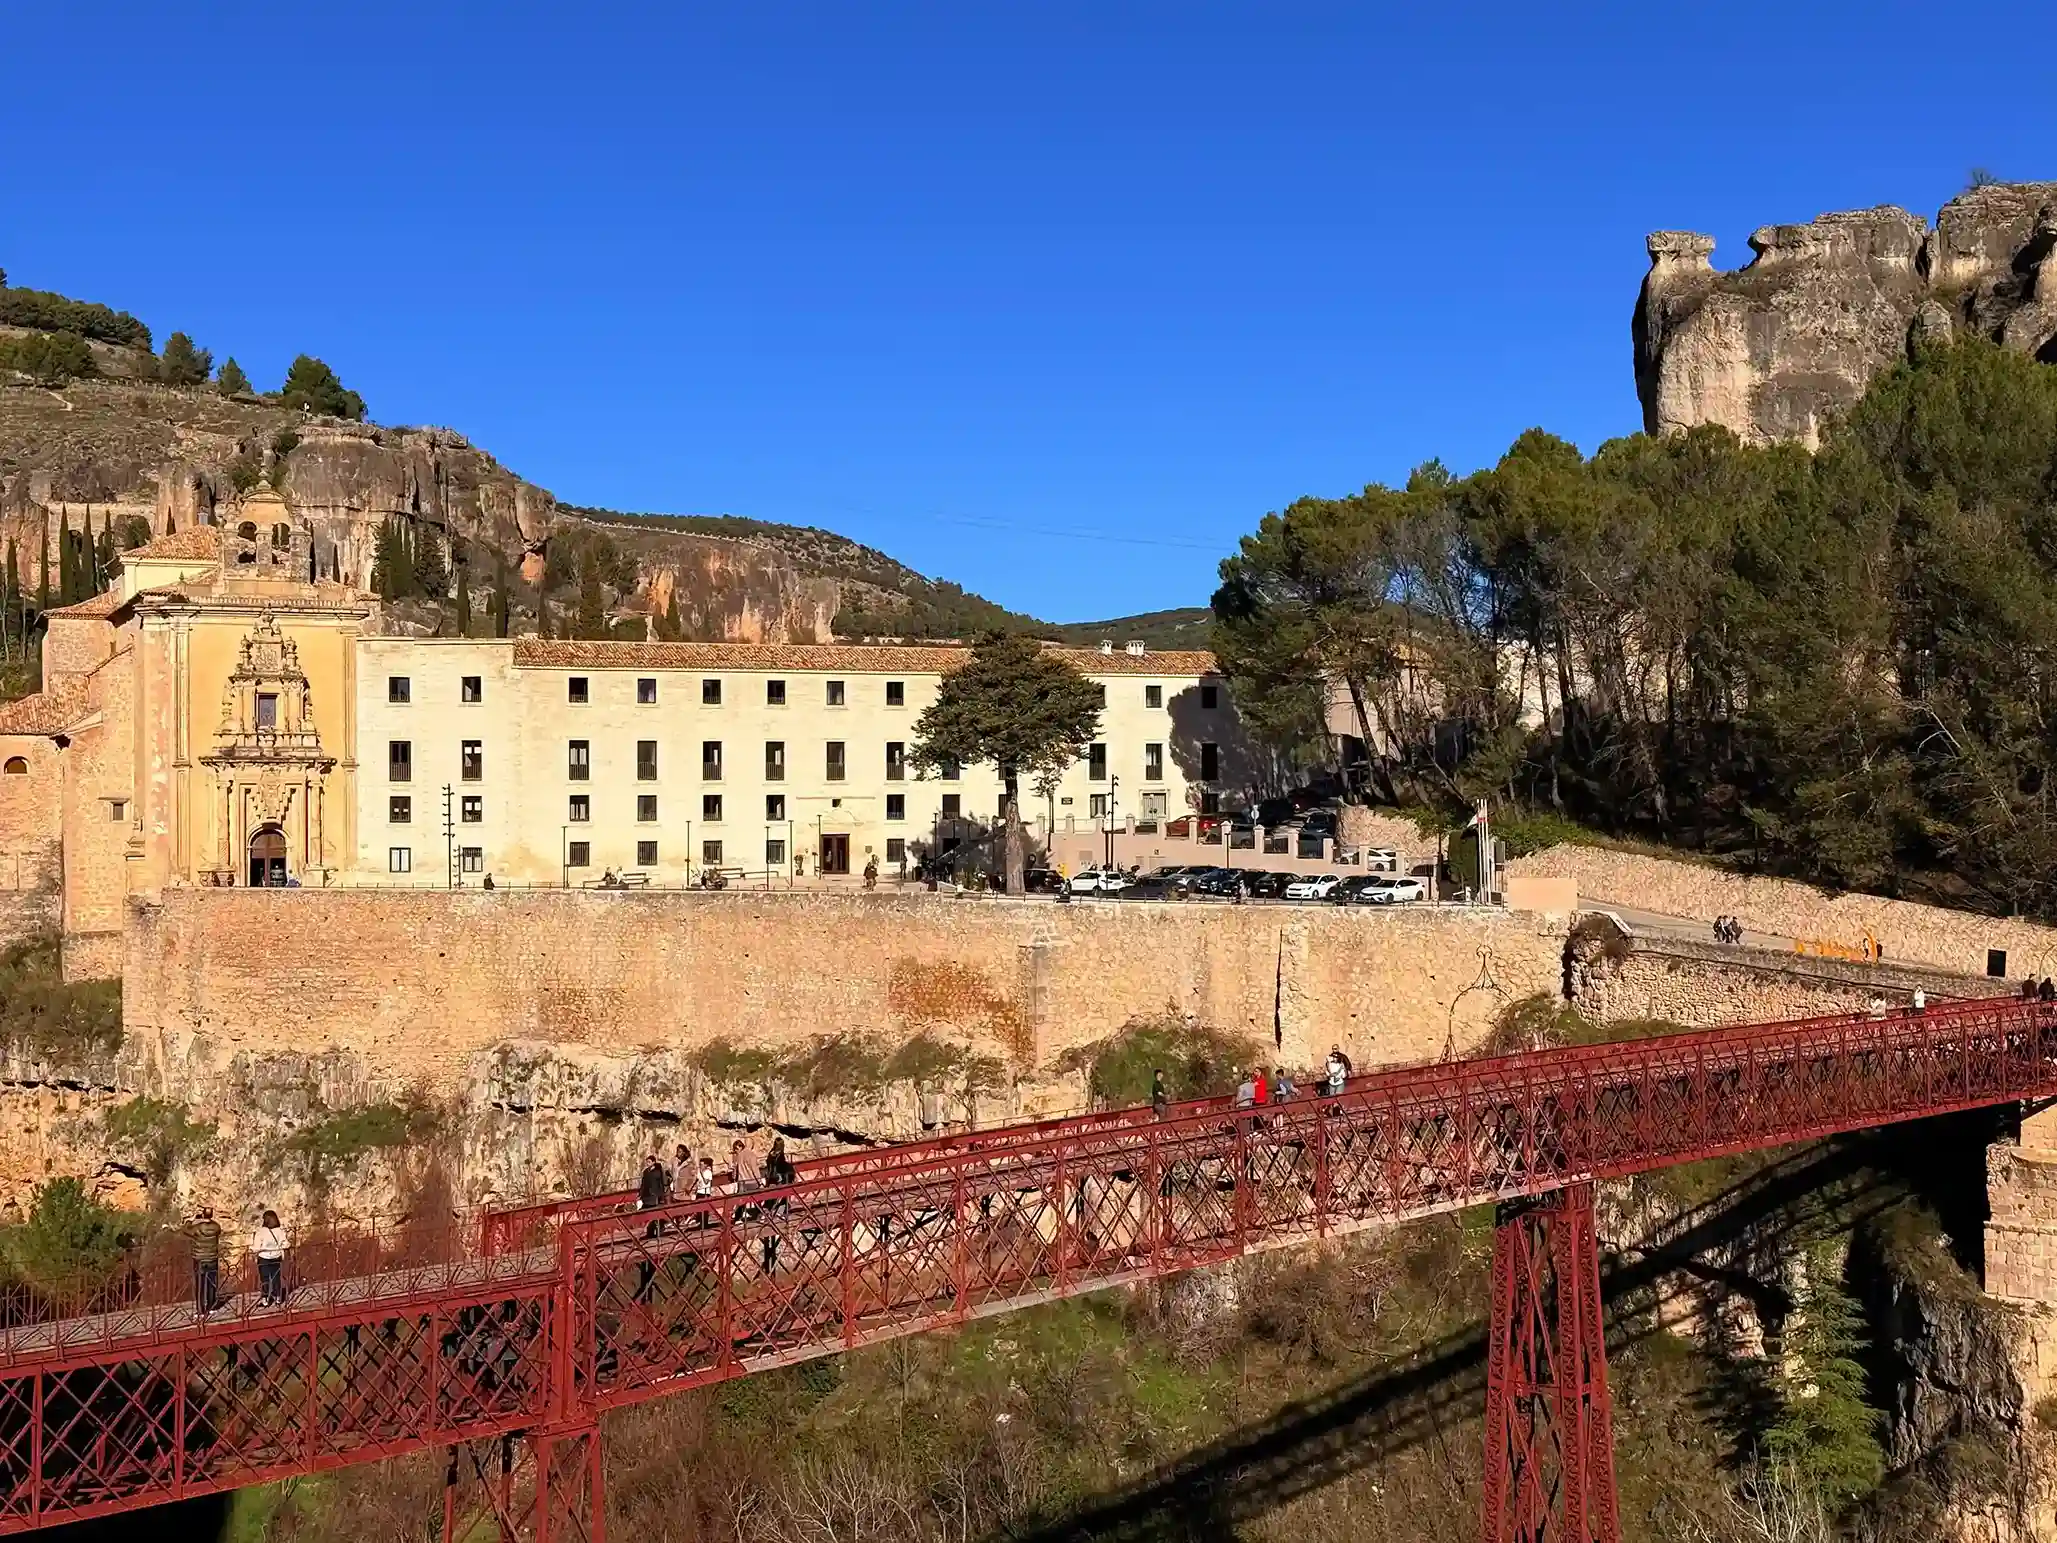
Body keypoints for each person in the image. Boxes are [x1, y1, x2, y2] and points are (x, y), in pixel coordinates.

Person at [253, 1209, 290, 1308]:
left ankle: (265, 1300)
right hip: (276, 1256)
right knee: (276, 1277)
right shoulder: (279, 1230)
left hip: (264, 1257)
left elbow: (256, 1247)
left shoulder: (261, 1232)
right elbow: (285, 1243)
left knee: (265, 1279)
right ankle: (278, 1297)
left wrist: (252, 1249)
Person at [190, 1207, 222, 1316]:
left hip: (200, 1259)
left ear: (203, 1215)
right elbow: (218, 1230)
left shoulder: (197, 1228)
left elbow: (185, 1230)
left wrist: (192, 1221)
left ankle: (200, 1310)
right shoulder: (216, 1227)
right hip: (212, 1258)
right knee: (212, 1283)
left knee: (200, 1285)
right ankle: (212, 1307)